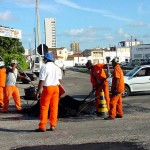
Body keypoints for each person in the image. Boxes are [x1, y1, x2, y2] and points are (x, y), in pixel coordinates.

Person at [35, 52, 62, 132]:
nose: (43, 59)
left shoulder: (44, 66)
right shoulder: (57, 67)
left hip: (48, 88)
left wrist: (38, 91)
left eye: (44, 58)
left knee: (44, 107)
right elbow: (60, 80)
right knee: (54, 107)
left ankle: (42, 127)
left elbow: (41, 80)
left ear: (46, 59)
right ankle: (53, 125)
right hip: (56, 88)